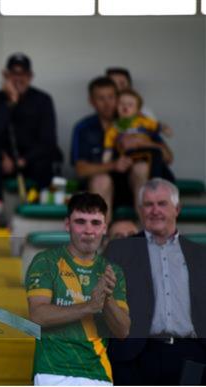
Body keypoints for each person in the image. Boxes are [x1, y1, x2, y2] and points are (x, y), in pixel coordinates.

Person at [105, 178, 206, 385]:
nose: (155, 210)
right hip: (136, 355)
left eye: (162, 203)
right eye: (148, 205)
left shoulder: (199, 255)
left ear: (177, 208)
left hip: (190, 354)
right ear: (140, 210)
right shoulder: (120, 251)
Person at [25, 192, 130, 385]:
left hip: (99, 373)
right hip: (53, 371)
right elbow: (38, 315)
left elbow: (123, 330)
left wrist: (107, 298)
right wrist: (89, 306)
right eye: (80, 221)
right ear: (67, 225)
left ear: (105, 227)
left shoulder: (112, 271)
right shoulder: (46, 261)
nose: (88, 230)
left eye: (96, 223)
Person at [70, 77, 173, 221]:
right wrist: (114, 165)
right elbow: (80, 170)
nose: (107, 103)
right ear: (91, 101)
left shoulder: (136, 121)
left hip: (135, 188)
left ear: (118, 97)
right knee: (101, 180)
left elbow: (168, 158)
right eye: (101, 98)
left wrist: (144, 143)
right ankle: (101, 238)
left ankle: (147, 236)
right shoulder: (84, 128)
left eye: (111, 97)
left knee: (141, 168)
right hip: (103, 190)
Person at [0, 53, 61, 219]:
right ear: (6, 75)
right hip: (4, 162)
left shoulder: (43, 100)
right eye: (14, 73)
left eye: (23, 74)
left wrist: (22, 161)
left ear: (30, 77)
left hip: (32, 160)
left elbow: (48, 140)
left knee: (47, 155)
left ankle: (41, 200)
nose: (18, 79)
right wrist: (11, 102)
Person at [102, 89, 174, 203]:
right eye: (121, 104)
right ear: (116, 107)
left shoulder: (143, 121)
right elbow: (109, 141)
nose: (125, 107)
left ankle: (156, 182)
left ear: (138, 110)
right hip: (129, 157)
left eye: (130, 105)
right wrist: (108, 153)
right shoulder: (116, 126)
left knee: (156, 153)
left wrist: (164, 129)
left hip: (148, 153)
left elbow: (157, 126)